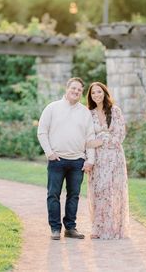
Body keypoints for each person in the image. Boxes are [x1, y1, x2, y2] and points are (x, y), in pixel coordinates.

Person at [37, 77, 95, 240]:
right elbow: (42, 131)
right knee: (53, 194)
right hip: (57, 160)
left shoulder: (84, 112)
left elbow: (90, 137)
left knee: (74, 195)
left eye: (79, 90)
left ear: (81, 93)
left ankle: (70, 228)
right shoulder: (52, 108)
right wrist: (49, 152)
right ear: (67, 88)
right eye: (73, 88)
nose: (76, 92)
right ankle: (55, 229)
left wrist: (90, 159)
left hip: (78, 161)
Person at [86, 82, 129, 239]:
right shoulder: (88, 114)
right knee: (99, 191)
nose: (96, 95)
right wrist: (93, 145)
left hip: (114, 158)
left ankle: (114, 228)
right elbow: (87, 139)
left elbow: (120, 135)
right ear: (90, 96)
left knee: (113, 191)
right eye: (93, 93)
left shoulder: (115, 111)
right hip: (97, 159)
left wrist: (102, 139)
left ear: (104, 93)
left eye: (99, 92)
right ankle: (98, 228)